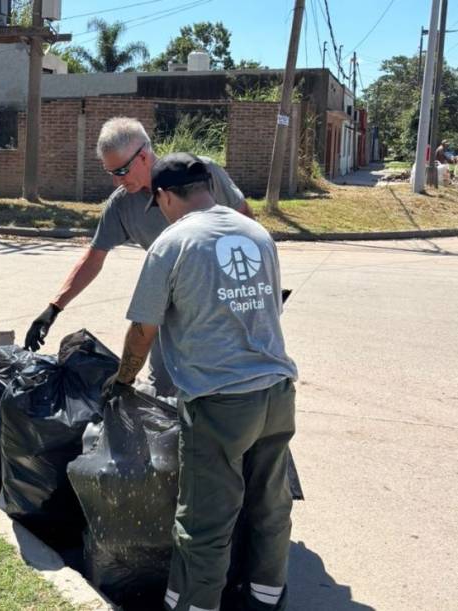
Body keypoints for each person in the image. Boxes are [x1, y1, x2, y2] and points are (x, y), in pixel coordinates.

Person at [103, 153, 298, 611]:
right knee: (269, 505)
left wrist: (123, 379)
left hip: (219, 402)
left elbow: (143, 330)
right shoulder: (257, 233)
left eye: (159, 204)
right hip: (277, 392)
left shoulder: (172, 244)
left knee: (205, 519)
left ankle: (195, 604)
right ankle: (266, 598)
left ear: (165, 196)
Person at [24, 117, 253, 395]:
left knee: (226, 388)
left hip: (223, 304)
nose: (116, 180)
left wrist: (255, 284)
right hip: (170, 309)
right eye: (111, 172)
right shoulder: (123, 204)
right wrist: (54, 308)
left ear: (143, 156)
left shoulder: (198, 173)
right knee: (164, 392)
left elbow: (245, 223)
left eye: (121, 171)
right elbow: (94, 258)